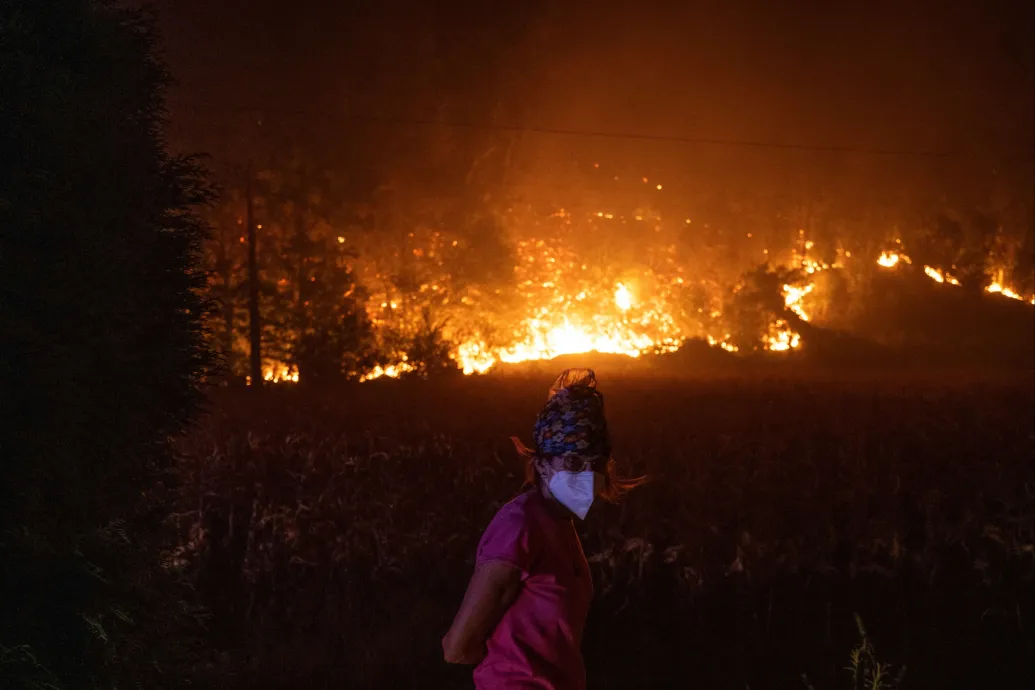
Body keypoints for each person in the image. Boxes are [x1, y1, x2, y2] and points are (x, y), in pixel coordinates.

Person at [442, 368, 643, 689]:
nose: (586, 475)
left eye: (595, 464)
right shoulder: (520, 525)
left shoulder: (560, 523)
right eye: (573, 463)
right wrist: (508, 665)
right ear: (542, 465)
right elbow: (458, 648)